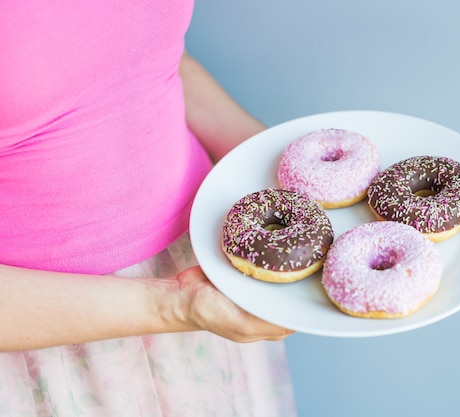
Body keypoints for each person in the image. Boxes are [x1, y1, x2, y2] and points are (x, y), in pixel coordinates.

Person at [0, 1, 297, 416]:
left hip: (200, 272)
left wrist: (270, 163)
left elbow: (148, 57)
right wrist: (172, 306)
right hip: (52, 336)